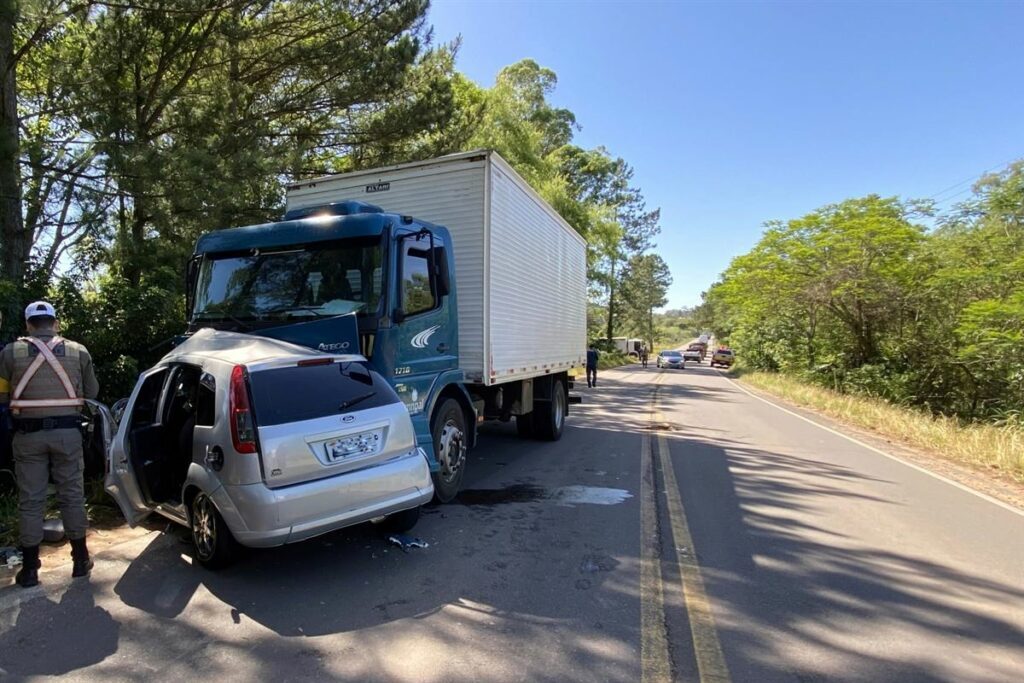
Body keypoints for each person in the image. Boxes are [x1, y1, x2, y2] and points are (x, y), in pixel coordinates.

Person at [0, 301, 99, 588]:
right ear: (55, 323)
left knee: (31, 502)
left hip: (28, 436)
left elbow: (2, 398)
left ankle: (30, 570)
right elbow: (91, 393)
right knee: (72, 495)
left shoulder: (10, 353)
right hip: (67, 436)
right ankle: (80, 561)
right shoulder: (78, 351)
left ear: (29, 325)